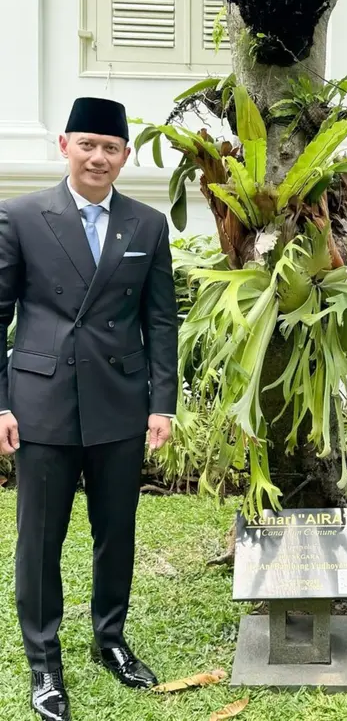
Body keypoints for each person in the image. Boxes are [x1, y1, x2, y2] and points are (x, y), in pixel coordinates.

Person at [0, 97, 179, 721]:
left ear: (125, 156)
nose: (98, 157)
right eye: (87, 144)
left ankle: (111, 640)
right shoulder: (21, 215)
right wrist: (0, 405)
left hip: (119, 402)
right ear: (64, 146)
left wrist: (162, 404)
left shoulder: (147, 225)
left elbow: (161, 321)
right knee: (39, 540)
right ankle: (44, 663)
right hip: (42, 401)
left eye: (110, 148)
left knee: (116, 531)